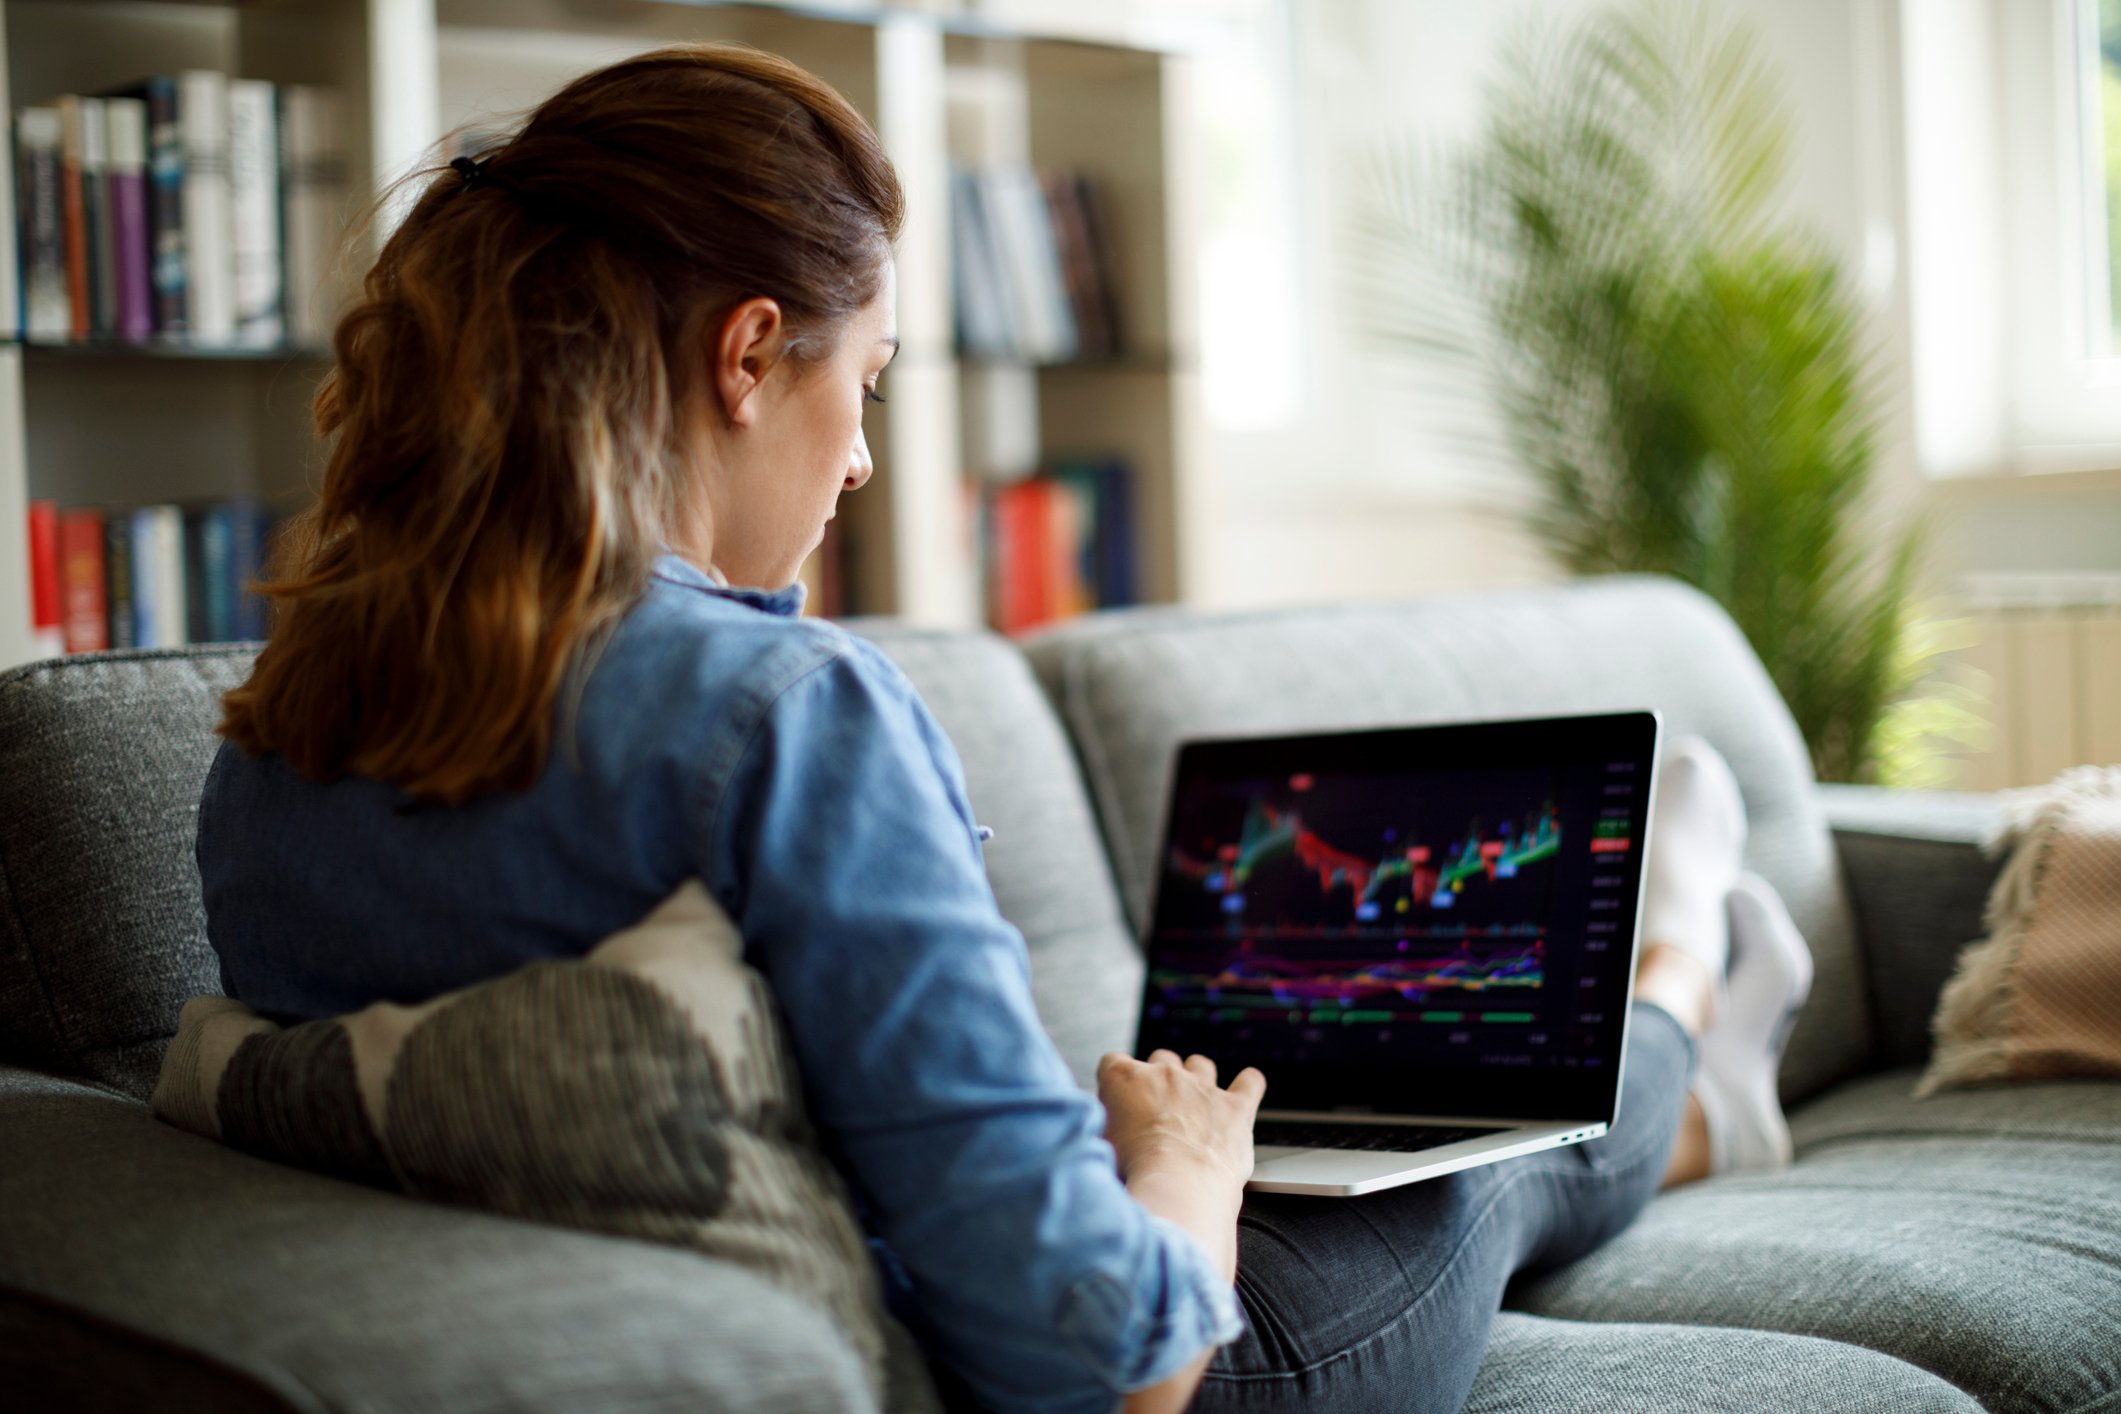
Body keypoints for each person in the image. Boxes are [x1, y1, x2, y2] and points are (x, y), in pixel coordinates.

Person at [197, 45, 1812, 1414]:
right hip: (1077, 1372)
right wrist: (1184, 1165)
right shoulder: (784, 713)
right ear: (746, 354)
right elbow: (1117, 1364)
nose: (859, 460)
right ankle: (1681, 992)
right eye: (868, 382)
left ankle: (1681, 1057)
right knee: (1473, 1149)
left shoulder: (275, 740)